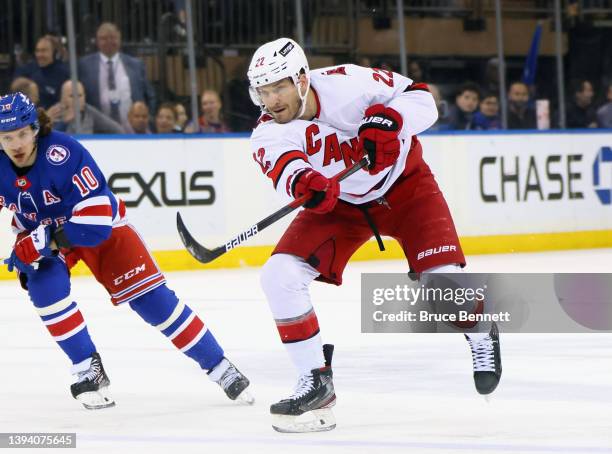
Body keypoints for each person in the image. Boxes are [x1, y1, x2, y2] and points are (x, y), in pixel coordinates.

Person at [247, 38, 502, 433]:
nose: (271, 100)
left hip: (407, 188)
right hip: (342, 206)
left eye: (278, 87)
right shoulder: (268, 131)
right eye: (262, 91)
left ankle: (481, 331)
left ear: (301, 80)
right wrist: (307, 183)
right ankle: (316, 380)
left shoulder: (349, 83)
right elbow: (286, 168)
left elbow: (423, 101)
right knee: (279, 275)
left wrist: (392, 120)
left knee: (444, 288)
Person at [0, 92, 252, 410]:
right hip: (48, 237)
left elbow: (95, 226)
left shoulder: (63, 153)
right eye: (7, 137)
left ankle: (220, 367)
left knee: (152, 302)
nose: (17, 144)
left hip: (100, 230)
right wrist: (30, 242)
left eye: (23, 133)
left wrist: (41, 242)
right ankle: (87, 369)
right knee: (44, 289)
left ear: (36, 129)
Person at [78, 22, 156, 130]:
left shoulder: (136, 65)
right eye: (104, 38)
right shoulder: (84, 65)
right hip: (98, 131)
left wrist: (146, 119)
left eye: (113, 38)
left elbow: (150, 96)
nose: (109, 42)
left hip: (134, 131)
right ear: (97, 41)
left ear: (119, 39)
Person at [47, 80, 125, 134]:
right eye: (72, 96)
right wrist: (64, 123)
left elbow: (117, 129)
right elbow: (46, 139)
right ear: (62, 98)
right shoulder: (54, 113)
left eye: (80, 96)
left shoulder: (89, 111)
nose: (76, 100)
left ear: (85, 97)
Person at [14, 35, 69, 109]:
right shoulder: (25, 70)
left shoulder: (63, 72)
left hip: (57, 116)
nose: (39, 54)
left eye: (43, 51)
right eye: (37, 51)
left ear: (54, 53)